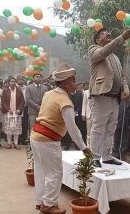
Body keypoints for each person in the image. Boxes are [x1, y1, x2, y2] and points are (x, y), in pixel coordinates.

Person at [30, 63, 91, 214]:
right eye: (73, 80)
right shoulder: (66, 102)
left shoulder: (48, 94)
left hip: (36, 135)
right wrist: (84, 147)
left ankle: (41, 201)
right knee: (55, 173)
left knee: (41, 171)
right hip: (48, 139)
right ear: (65, 83)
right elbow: (73, 129)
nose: (74, 83)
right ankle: (49, 204)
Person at [88, 27, 130, 168]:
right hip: (101, 96)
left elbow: (123, 77)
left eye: (108, 33)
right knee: (98, 127)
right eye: (103, 33)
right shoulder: (94, 50)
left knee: (111, 128)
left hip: (114, 98)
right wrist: (121, 38)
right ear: (97, 39)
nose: (107, 34)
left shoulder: (115, 58)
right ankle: (94, 156)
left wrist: (125, 90)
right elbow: (103, 51)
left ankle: (106, 156)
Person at [1, 77, 25, 150]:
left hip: (16, 113)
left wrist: (19, 109)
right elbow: (3, 101)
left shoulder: (19, 91)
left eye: (14, 81)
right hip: (8, 113)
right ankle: (9, 143)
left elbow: (22, 102)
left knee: (16, 129)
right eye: (11, 81)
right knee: (9, 129)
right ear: (9, 82)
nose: (13, 83)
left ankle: (16, 143)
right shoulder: (5, 91)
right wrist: (8, 109)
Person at [25, 73, 48, 142]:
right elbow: (28, 99)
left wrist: (42, 106)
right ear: (33, 78)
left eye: (40, 77)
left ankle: (40, 140)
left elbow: (46, 98)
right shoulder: (29, 87)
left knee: (41, 125)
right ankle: (32, 141)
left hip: (42, 110)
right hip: (32, 110)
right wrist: (36, 106)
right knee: (32, 126)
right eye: (36, 77)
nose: (38, 78)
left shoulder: (45, 88)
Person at [81, 82, 91, 148]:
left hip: (97, 115)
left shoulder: (98, 91)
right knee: (89, 133)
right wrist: (83, 114)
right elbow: (84, 103)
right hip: (88, 115)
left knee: (96, 132)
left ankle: (95, 147)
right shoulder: (86, 92)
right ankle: (88, 147)